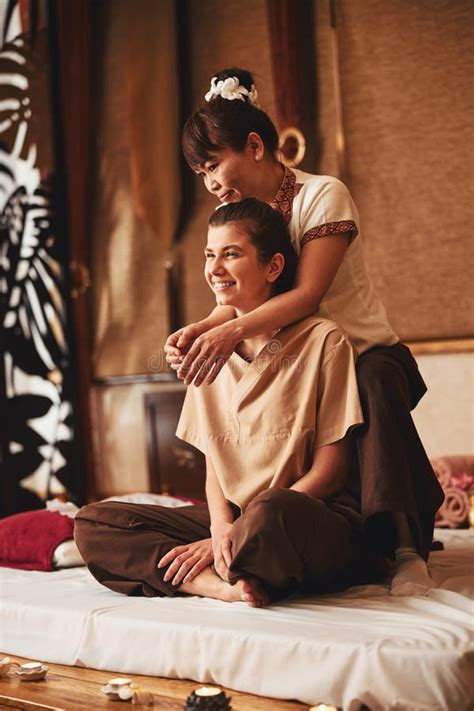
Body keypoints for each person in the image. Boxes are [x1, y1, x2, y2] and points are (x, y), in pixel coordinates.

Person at [164, 68, 444, 597]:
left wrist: (226, 335)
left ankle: (405, 547)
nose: (212, 183)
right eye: (202, 172)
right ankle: (240, 543)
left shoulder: (322, 196)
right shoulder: (238, 216)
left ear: (254, 146)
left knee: (375, 379)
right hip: (296, 359)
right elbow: (235, 302)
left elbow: (307, 296)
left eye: (215, 164)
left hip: (361, 352)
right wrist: (198, 332)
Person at [74, 199, 367, 607]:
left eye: (231, 254)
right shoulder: (208, 352)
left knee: (270, 511)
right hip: (237, 521)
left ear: (273, 267)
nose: (214, 268)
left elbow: (331, 473)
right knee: (94, 523)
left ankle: (234, 560)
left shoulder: (324, 341)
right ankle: (220, 585)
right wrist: (218, 528)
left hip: (302, 518)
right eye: (210, 254)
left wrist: (228, 536)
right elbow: (216, 460)